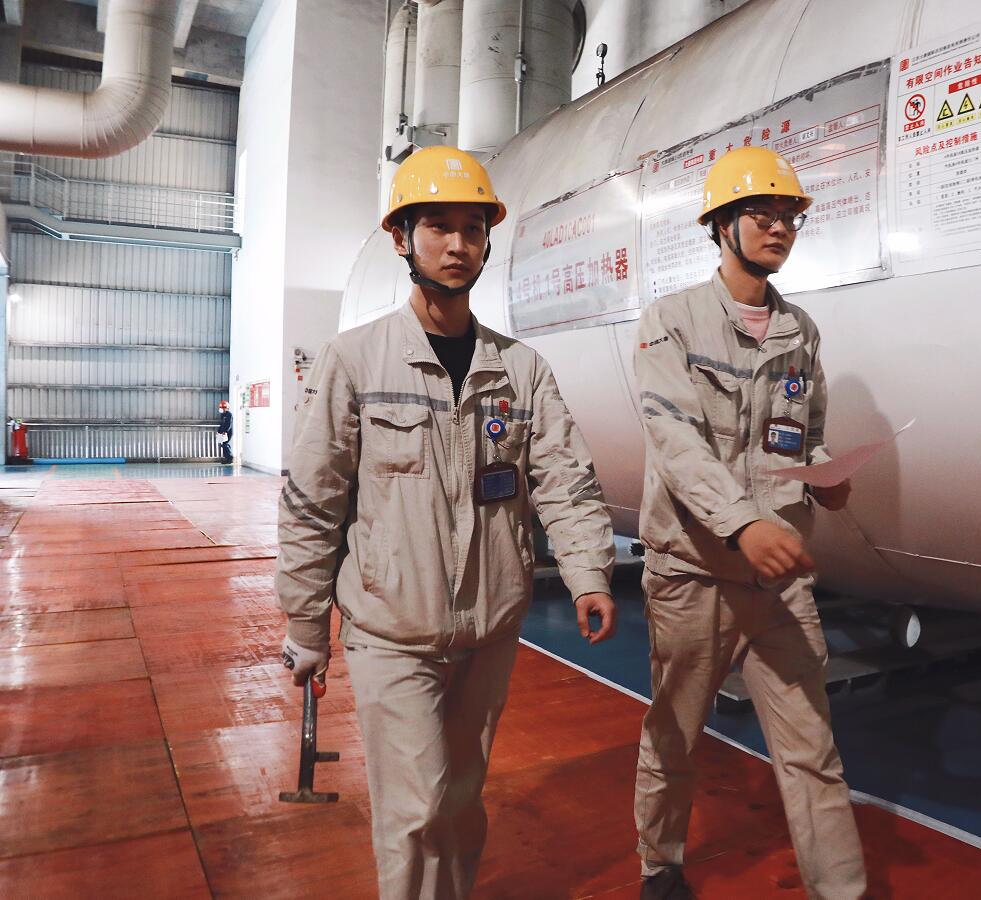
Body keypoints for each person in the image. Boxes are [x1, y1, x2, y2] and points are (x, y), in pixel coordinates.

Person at [275, 144, 618, 899]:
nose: (458, 244)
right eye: (438, 226)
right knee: (416, 811)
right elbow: (312, 500)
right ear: (402, 237)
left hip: (489, 627)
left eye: (472, 228)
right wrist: (305, 623)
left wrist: (589, 572)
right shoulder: (355, 362)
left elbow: (564, 479)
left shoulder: (520, 370)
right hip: (392, 627)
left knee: (460, 803)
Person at [632, 146, 866, 900]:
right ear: (721, 225)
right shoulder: (671, 322)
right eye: (761, 213)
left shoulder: (800, 330)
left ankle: (841, 890)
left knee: (811, 748)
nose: (779, 228)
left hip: (778, 578)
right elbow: (674, 440)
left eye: (789, 216)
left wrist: (824, 475)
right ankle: (660, 866)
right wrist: (741, 525)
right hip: (696, 573)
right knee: (675, 735)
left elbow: (804, 432)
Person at [217, 400, 234, 464]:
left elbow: (229, 424)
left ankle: (230, 457)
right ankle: (227, 458)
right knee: (222, 444)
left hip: (227, 432)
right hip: (222, 432)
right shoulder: (223, 415)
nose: (221, 409)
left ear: (226, 408)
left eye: (223, 408)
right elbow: (222, 424)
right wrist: (219, 431)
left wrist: (225, 431)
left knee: (225, 444)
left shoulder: (229, 415)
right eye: (221, 408)